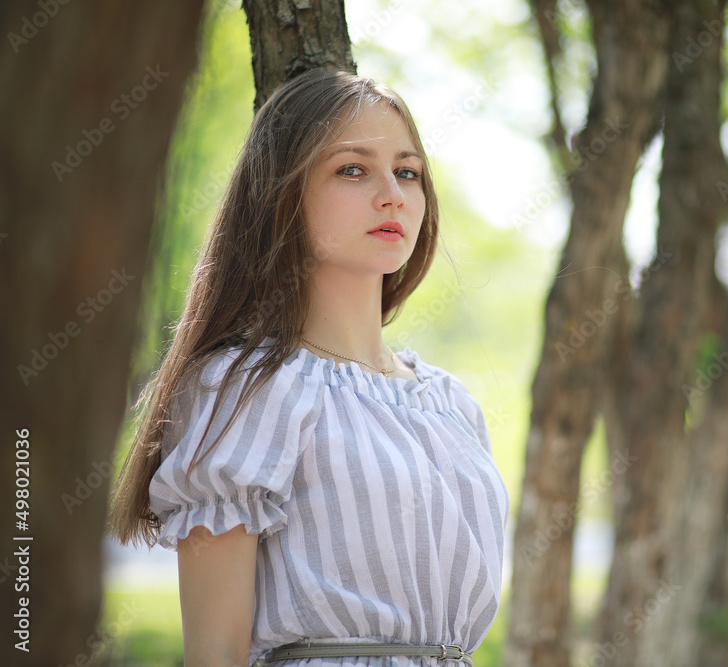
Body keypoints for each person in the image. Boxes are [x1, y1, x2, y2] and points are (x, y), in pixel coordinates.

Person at [106, 68, 509, 667]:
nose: (392, 194)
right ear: (281, 194)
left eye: (407, 172)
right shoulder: (245, 387)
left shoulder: (451, 405)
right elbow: (214, 654)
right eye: (353, 169)